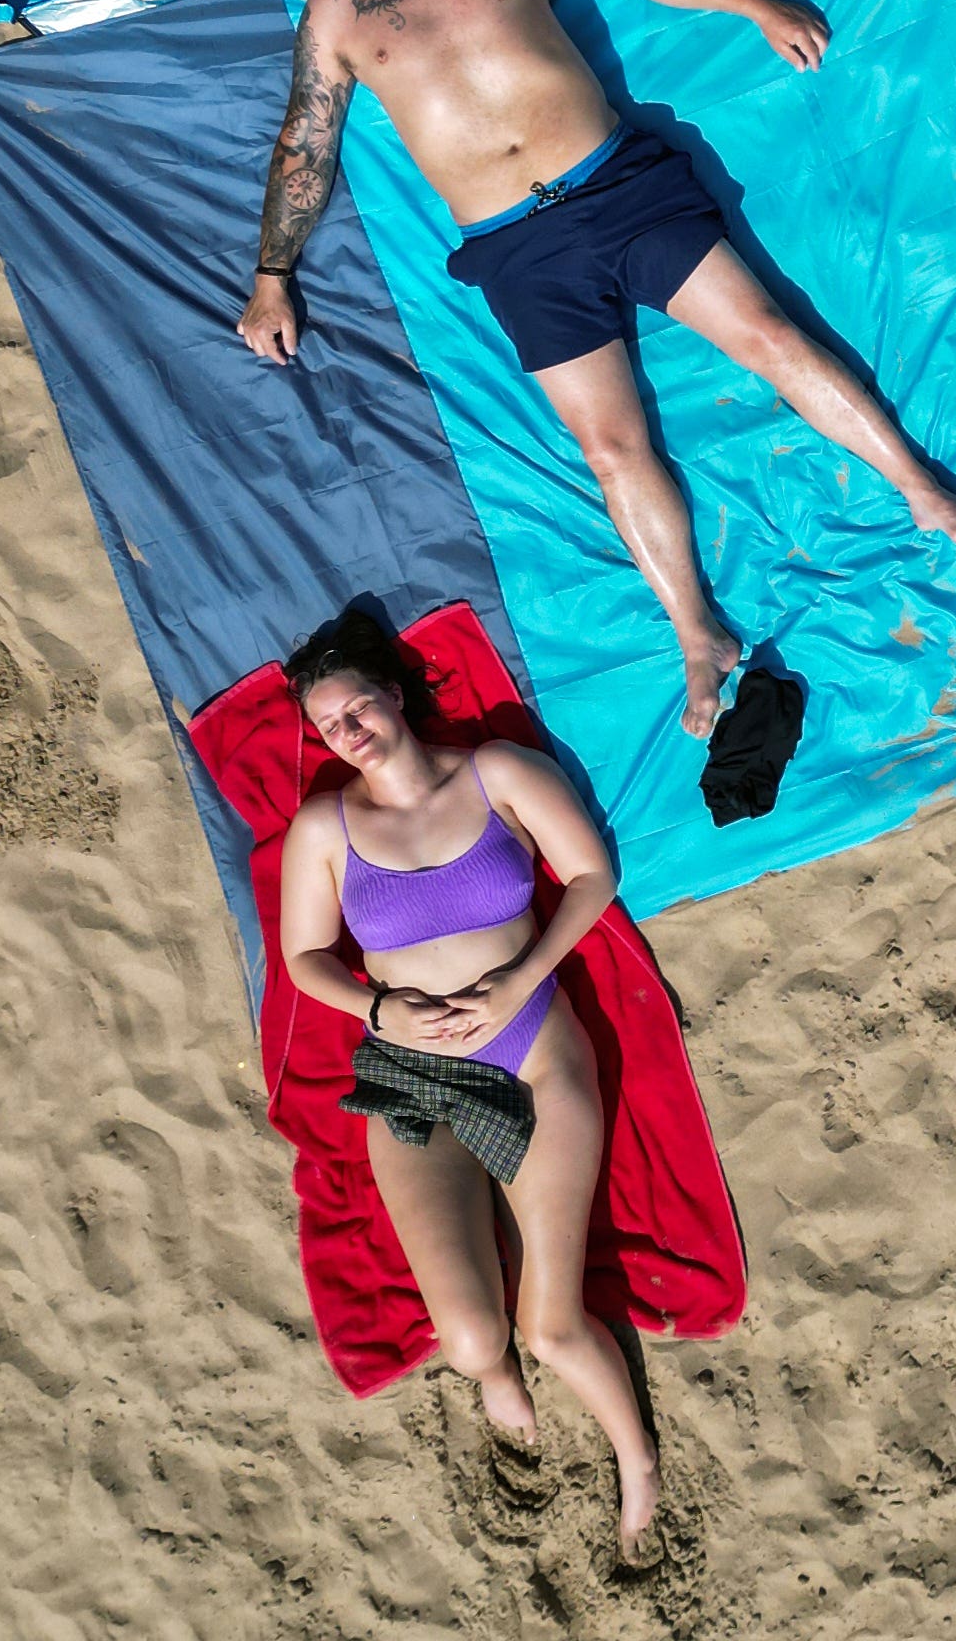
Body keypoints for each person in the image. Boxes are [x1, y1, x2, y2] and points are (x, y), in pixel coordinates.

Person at [239, 0, 956, 737]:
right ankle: (697, 636)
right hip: (517, 248)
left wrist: (752, 3)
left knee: (766, 335)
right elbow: (306, 138)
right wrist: (274, 272)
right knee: (611, 449)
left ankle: (918, 488)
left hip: (615, 186)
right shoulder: (336, 9)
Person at [264, 611, 660, 1567]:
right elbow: (303, 955)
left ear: (394, 695)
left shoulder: (497, 773)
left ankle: (637, 1464)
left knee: (553, 1327)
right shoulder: (326, 825)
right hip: (408, 1069)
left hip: (528, 1050)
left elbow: (593, 876)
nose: (349, 732)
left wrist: (525, 976)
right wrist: (375, 1012)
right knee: (474, 1340)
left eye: (358, 705)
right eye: (330, 727)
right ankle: (493, 1382)